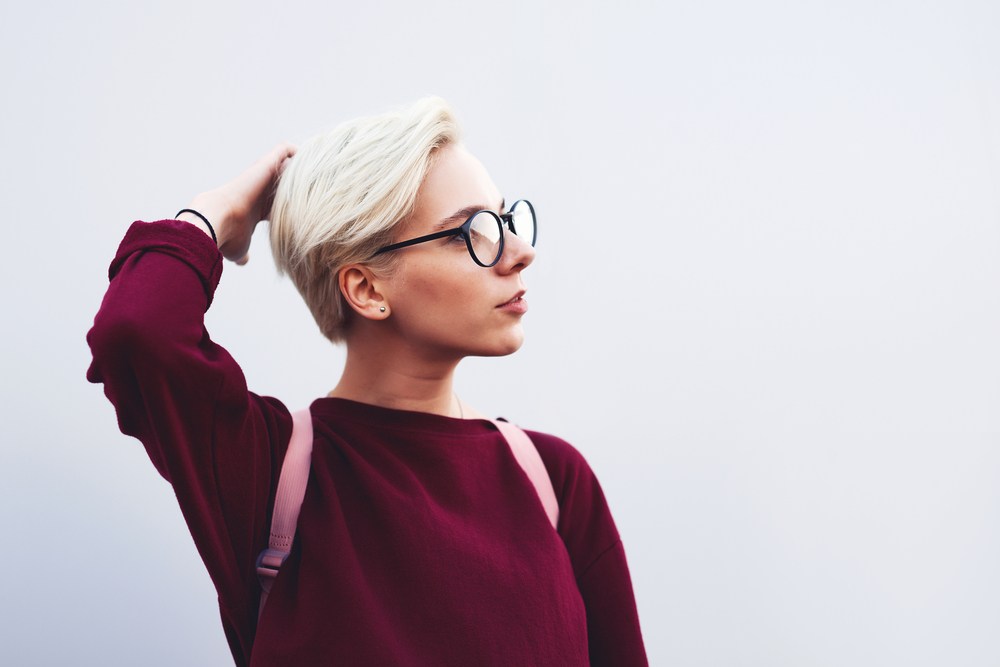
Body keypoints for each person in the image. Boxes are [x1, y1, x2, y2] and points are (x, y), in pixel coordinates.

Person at [87, 97, 647, 666]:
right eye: (469, 233)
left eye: (505, 221)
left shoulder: (554, 481)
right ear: (367, 290)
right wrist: (217, 213)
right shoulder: (270, 470)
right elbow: (139, 331)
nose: (521, 253)